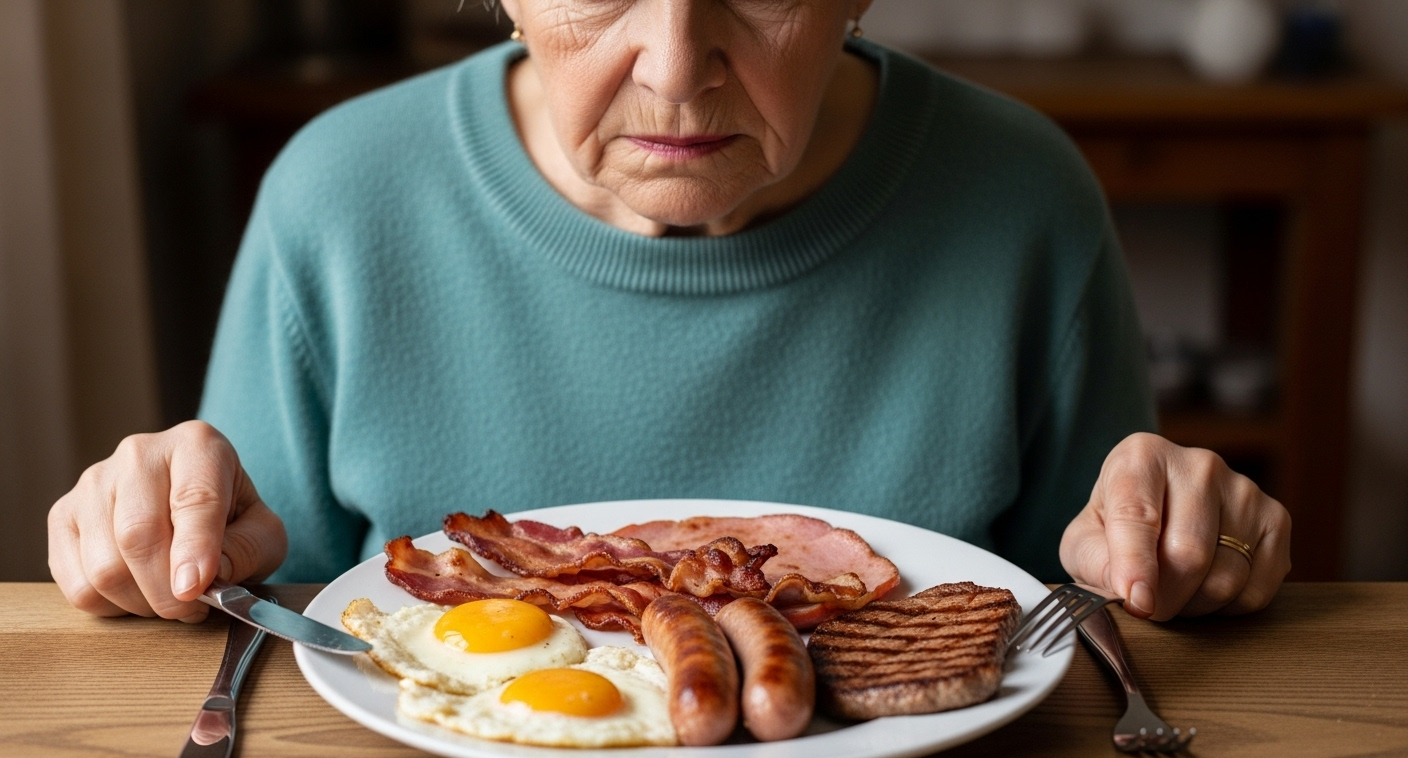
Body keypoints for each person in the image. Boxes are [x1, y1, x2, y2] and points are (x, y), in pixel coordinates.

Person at [48, 0, 1290, 628]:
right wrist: (158, 542)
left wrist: (1183, 544)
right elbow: (276, 630)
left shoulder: (1025, 194)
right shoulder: (338, 194)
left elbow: (1102, 625)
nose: (673, 63)